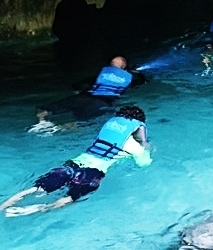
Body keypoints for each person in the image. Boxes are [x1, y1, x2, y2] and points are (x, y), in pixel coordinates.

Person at [0, 105, 152, 217]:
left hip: (72, 164)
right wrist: (148, 149)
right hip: (92, 173)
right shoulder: (135, 147)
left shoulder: (105, 133)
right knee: (70, 198)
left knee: (35, 189)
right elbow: (144, 164)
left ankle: (3, 206)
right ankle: (42, 208)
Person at [36, 55, 147, 124]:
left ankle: (41, 121)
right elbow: (142, 82)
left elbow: (78, 85)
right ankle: (56, 130)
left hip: (84, 97)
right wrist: (139, 73)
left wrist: (77, 91)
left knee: (47, 109)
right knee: (80, 123)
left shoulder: (101, 76)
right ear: (124, 67)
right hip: (102, 103)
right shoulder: (128, 79)